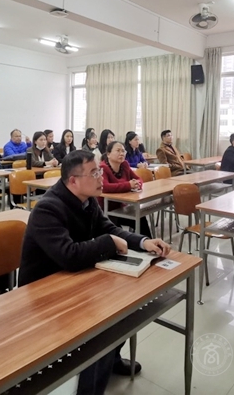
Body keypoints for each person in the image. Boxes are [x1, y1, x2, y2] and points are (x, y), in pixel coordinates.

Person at [18, 150, 170, 394]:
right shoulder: (48, 208)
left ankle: (111, 359)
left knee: (124, 306)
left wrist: (143, 242)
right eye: (94, 173)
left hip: (75, 277)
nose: (101, 177)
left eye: (99, 171)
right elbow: (69, 255)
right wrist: (108, 242)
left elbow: (109, 228)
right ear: (73, 180)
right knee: (104, 325)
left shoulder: (87, 200)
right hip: (44, 291)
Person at [100, 141, 152, 237]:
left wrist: (137, 184)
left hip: (121, 206)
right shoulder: (103, 167)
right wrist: (128, 185)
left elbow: (138, 179)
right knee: (120, 233)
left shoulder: (125, 165)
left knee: (141, 217)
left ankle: (148, 243)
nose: (121, 153)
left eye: (123, 151)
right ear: (108, 154)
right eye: (118, 151)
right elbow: (105, 187)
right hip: (106, 209)